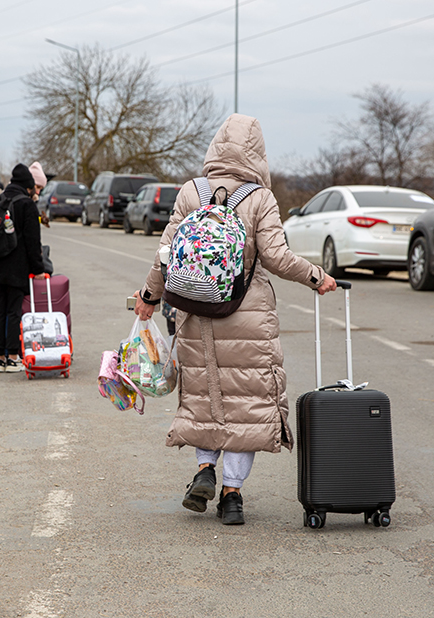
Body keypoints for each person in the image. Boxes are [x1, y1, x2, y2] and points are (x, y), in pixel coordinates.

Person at [133, 113, 337, 525]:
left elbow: (165, 253)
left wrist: (149, 297)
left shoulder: (191, 192)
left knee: (203, 398)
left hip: (195, 310)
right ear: (258, 153)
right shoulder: (260, 198)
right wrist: (317, 277)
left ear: (216, 147)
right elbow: (276, 257)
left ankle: (204, 469)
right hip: (248, 314)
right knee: (247, 405)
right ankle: (232, 495)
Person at [0, 164, 46, 373]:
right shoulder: (27, 204)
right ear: (28, 187)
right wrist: (39, 269)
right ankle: (13, 358)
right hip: (16, 268)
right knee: (13, 312)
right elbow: (33, 242)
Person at [29, 161, 50, 227]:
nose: (38, 192)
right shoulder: (20, 200)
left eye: (41, 189)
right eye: (37, 187)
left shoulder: (32, 200)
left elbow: (30, 219)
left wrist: (40, 219)